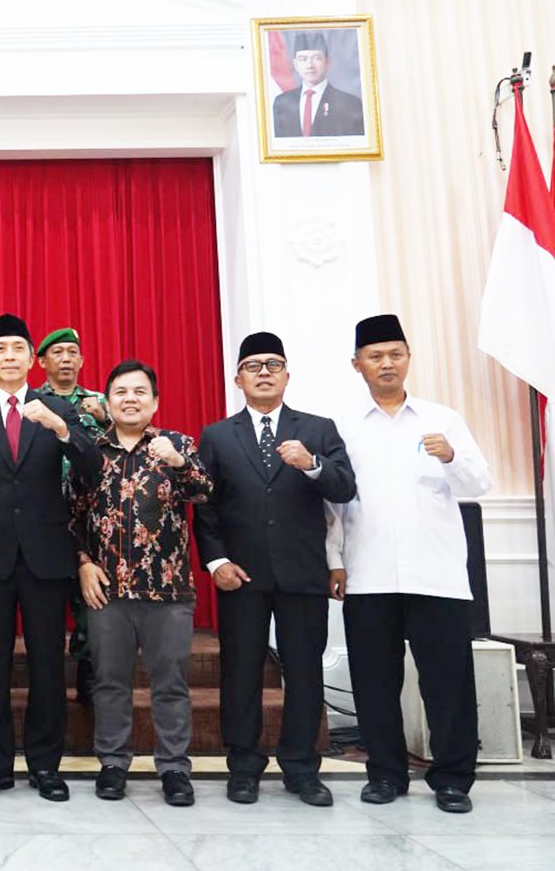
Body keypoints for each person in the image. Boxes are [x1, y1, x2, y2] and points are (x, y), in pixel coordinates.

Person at [329, 314, 491, 814]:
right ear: (357, 364)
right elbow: (332, 504)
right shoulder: (342, 426)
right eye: (375, 356)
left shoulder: (442, 419)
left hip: (436, 574)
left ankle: (453, 779)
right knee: (375, 684)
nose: (387, 364)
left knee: (448, 683)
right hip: (368, 573)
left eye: (395, 354)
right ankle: (385, 773)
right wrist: (334, 562)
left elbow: (479, 484)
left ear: (408, 359)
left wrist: (452, 456)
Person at [193, 333, 356, 807]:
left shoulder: (318, 429)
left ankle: (301, 768)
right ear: (238, 379)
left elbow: (345, 488)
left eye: (273, 364)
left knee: (303, 674)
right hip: (240, 575)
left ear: (287, 375)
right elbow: (205, 506)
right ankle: (244, 766)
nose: (263, 372)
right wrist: (217, 561)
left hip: (303, 573)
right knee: (240, 673)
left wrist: (312, 464)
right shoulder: (217, 435)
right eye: (253, 365)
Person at [0, 314, 101, 802]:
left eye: (18, 348)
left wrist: (61, 429)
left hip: (46, 557)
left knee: (47, 667)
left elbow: (92, 469)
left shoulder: (57, 407)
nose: (10, 356)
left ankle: (45, 767)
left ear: (32, 359)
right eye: (1, 349)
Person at [75, 360, 212, 807]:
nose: (130, 399)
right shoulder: (92, 452)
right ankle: (113, 763)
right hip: (107, 592)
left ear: (155, 401)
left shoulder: (177, 444)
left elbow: (204, 493)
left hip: (167, 591)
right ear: (107, 401)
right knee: (109, 682)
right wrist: (83, 563)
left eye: (139, 392)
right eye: (120, 392)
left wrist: (179, 464)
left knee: (169, 684)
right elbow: (71, 516)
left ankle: (174, 769)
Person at [34, 326, 109, 705]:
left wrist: (105, 418)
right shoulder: (30, 402)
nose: (65, 359)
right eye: (57, 353)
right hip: (43, 512)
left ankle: (88, 673)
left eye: (71, 353)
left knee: (89, 599)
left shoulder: (100, 402)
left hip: (89, 514)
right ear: (42, 361)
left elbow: (123, 446)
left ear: (81, 360)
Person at [272, 31, 365, 138]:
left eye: (317, 58)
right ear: (296, 64)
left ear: (327, 62)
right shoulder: (282, 103)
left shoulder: (349, 103)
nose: (310, 65)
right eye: (303, 59)